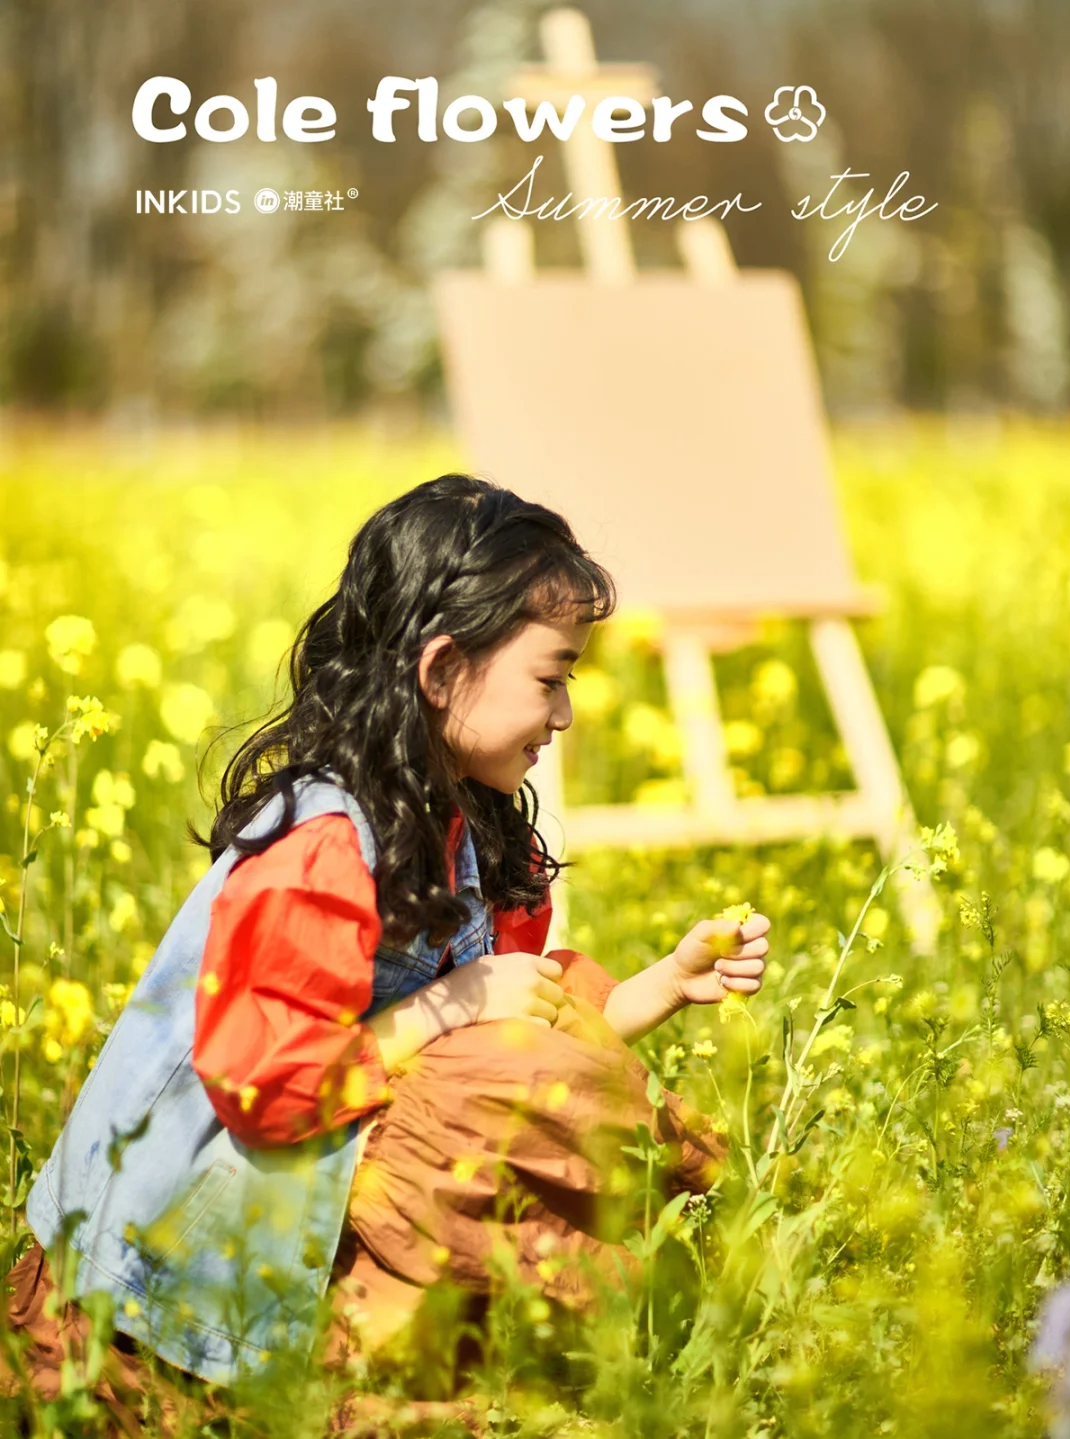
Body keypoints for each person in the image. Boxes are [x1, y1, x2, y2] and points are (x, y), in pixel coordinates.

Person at [4, 474, 770, 1426]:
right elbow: (270, 1086)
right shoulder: (322, 840)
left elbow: (516, 1007)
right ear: (442, 670)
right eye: (551, 677)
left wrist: (663, 985)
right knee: (487, 1087)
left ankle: (639, 1308)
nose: (565, 713)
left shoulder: (464, 821)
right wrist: (446, 1009)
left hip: (302, 1205)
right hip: (156, 1297)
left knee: (516, 1074)